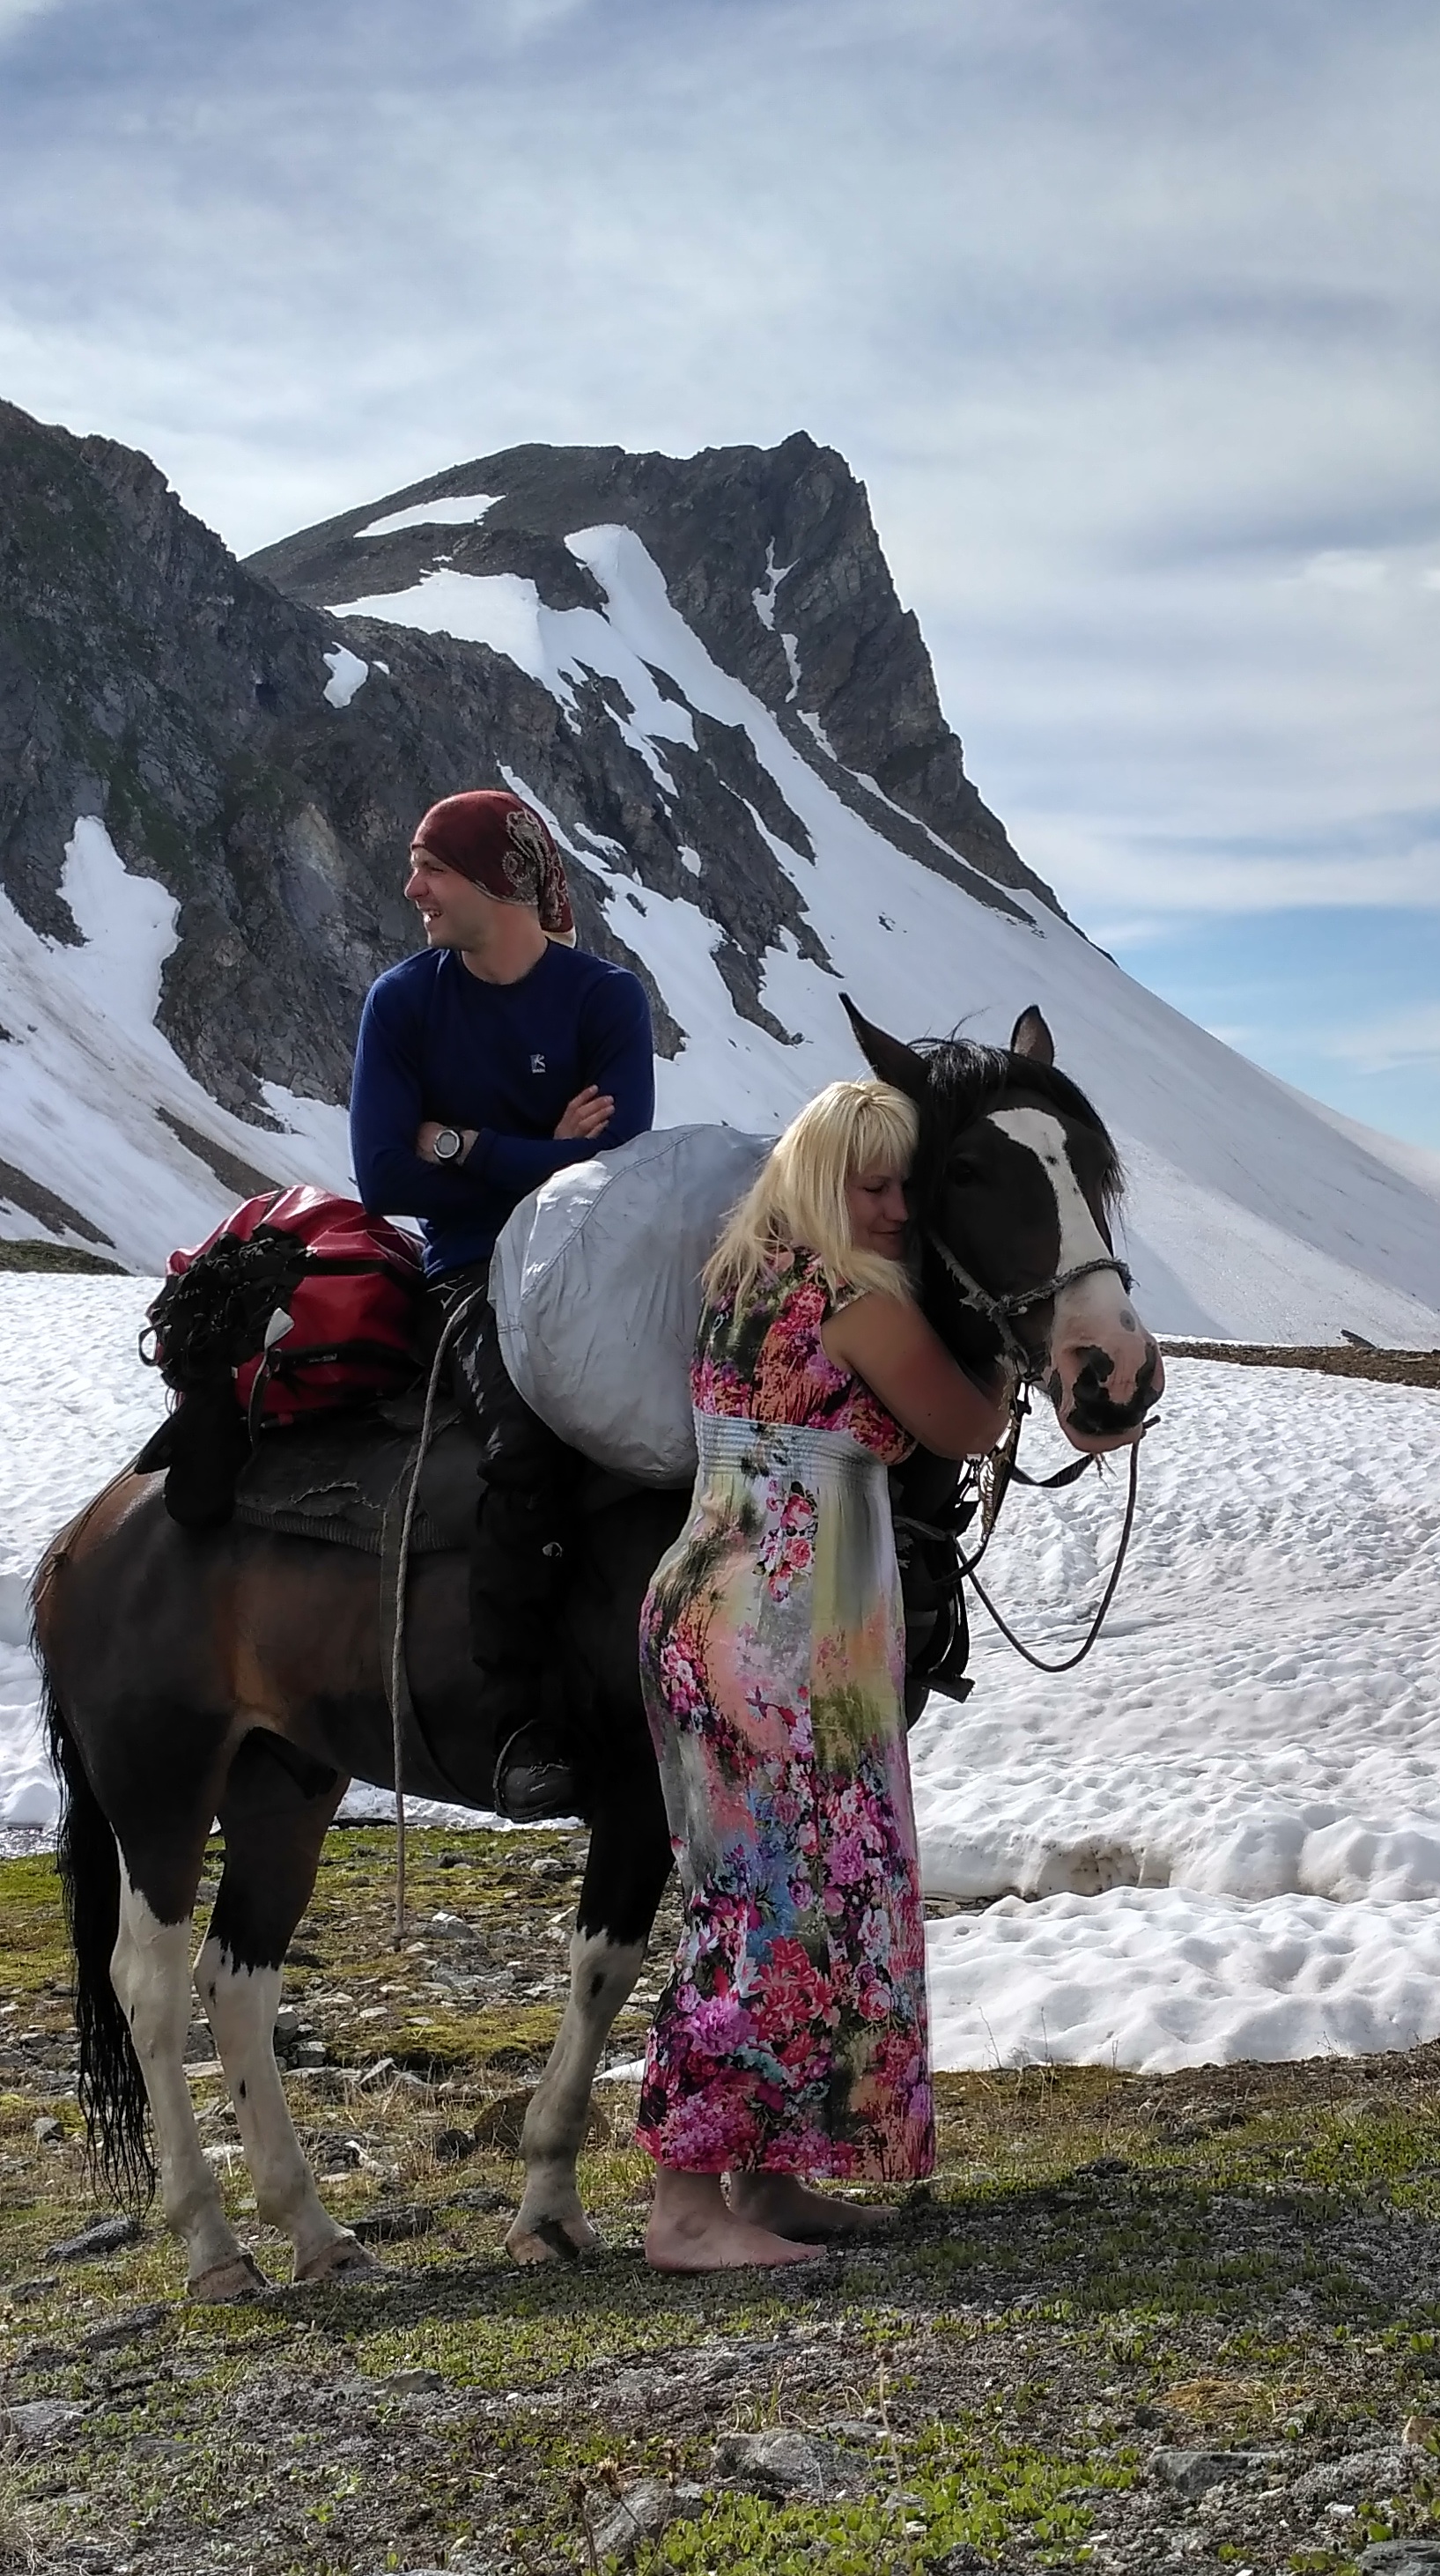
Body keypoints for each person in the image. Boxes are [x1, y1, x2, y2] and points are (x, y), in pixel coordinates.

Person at [635, 1078, 1013, 2271]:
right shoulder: (848, 1297)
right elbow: (963, 1424)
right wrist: (1004, 1346)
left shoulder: (746, 1280)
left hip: (726, 1605)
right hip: (783, 1636)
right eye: (875, 1184)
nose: (897, 1207)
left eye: (904, 1184)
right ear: (818, 1181)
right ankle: (685, 2207)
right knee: (768, 1899)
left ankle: (769, 2170)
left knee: (767, 1890)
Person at [350, 789, 655, 1821]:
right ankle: (520, 1720)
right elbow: (387, 1174)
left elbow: (619, 1160)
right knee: (525, 1447)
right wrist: (543, 1153)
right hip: (473, 1273)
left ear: (496, 880)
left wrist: (463, 1142)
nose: (412, 888)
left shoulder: (605, 998)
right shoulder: (404, 1001)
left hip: (602, 1261)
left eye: (430, 867)